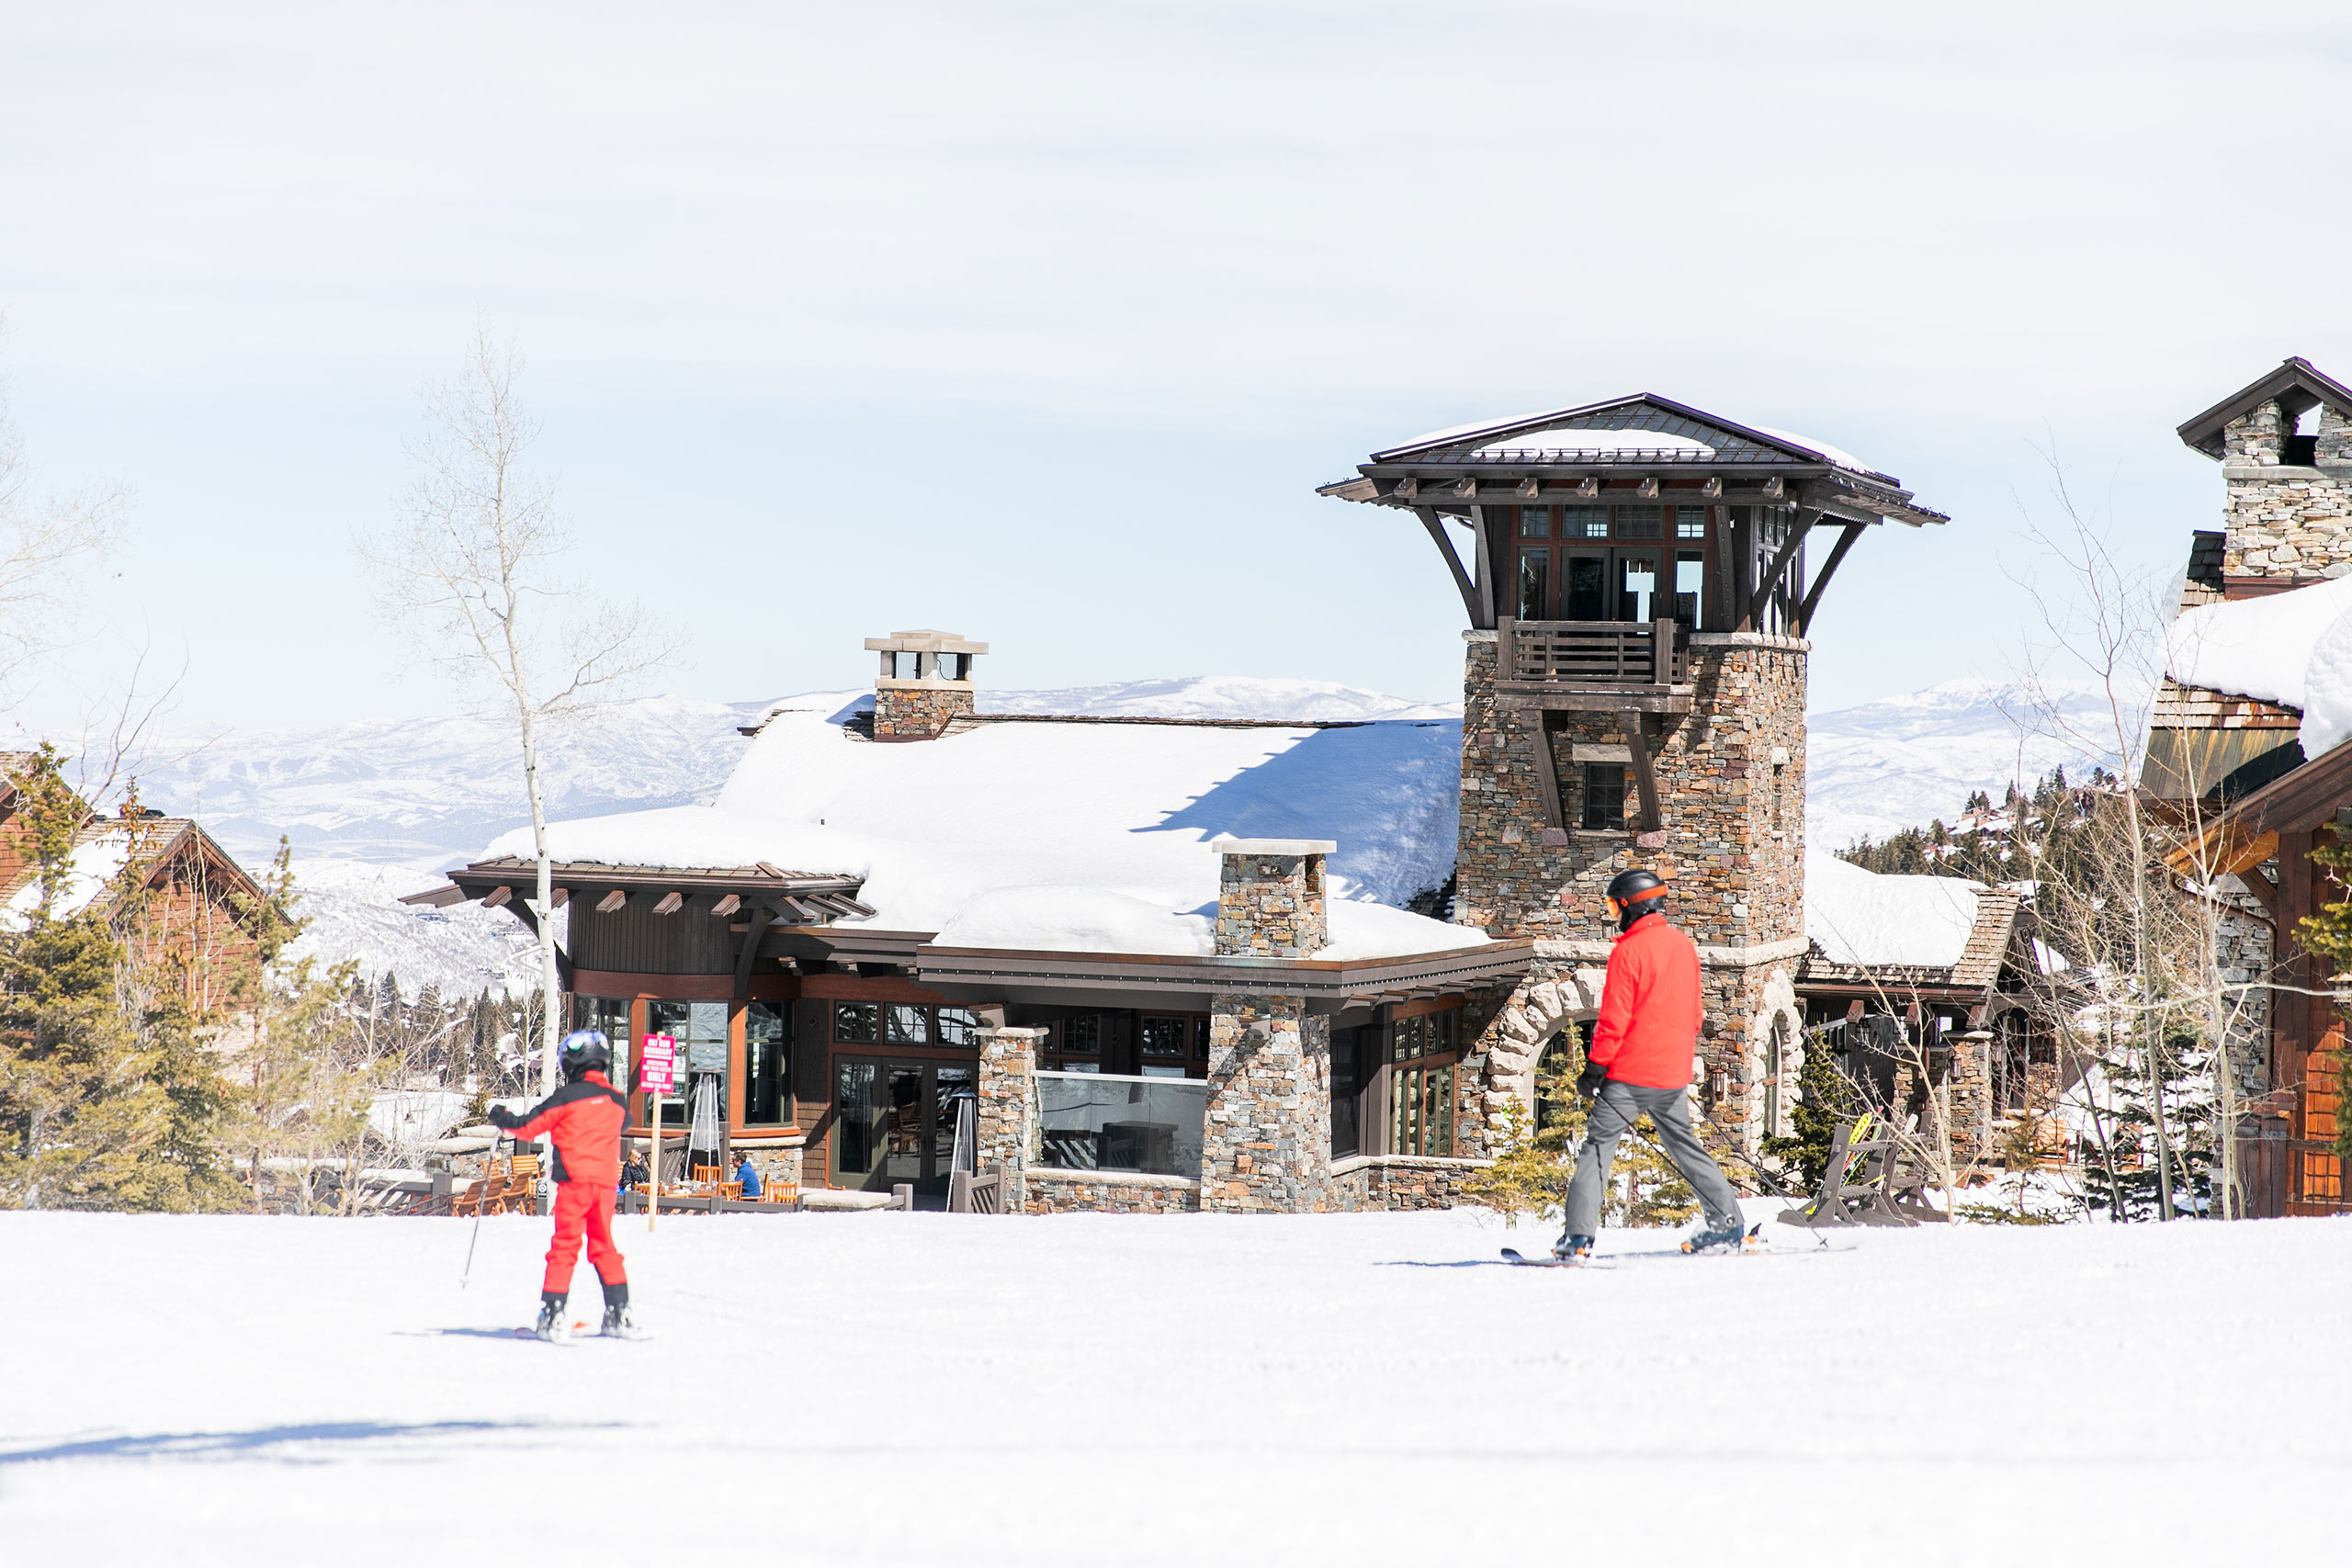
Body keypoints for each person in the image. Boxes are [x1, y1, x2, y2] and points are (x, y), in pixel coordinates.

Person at [1554, 868, 1747, 1263]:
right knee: (1685, 1146)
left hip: (1627, 1075)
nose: (1613, 914)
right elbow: (1695, 1015)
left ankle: (1577, 1239)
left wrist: (1595, 1069)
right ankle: (1727, 1224)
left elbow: (1614, 1018)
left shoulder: (1629, 951)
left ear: (1630, 904)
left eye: (1613, 906)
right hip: (1672, 1074)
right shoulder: (1682, 946)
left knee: (1596, 1150)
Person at [488, 1029, 640, 1339]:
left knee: (565, 1246)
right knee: (604, 1247)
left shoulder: (566, 1098)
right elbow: (626, 1122)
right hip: (605, 1186)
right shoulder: (616, 1100)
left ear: (571, 1064)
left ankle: (553, 1314)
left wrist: (501, 1116)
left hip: (574, 1183)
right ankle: (619, 1313)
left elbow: (528, 1127)